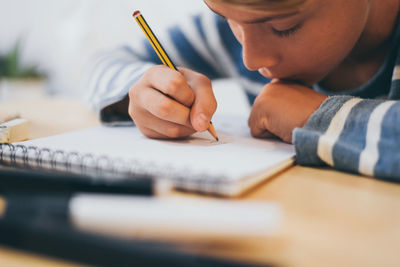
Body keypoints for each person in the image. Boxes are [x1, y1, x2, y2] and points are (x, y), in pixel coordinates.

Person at [85, 0, 400, 180]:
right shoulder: (240, 18)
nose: (251, 60)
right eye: (225, 17)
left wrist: (318, 116)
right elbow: (104, 64)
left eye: (283, 28)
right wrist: (149, 89)